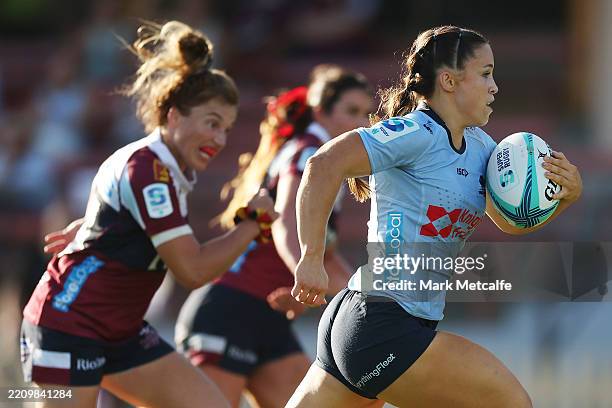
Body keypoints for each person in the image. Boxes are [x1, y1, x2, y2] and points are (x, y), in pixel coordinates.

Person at [287, 25, 583, 407]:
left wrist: (564, 198)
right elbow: (323, 164)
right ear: (448, 80)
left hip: (372, 323)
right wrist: (311, 256)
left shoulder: (481, 147)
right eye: (486, 73)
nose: (495, 87)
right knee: (511, 403)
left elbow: (508, 221)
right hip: (384, 322)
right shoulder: (416, 132)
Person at [20, 20, 278, 408]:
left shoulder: (168, 166)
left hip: (119, 330)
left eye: (225, 128)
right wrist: (251, 224)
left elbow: (112, 212)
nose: (220, 140)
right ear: (173, 116)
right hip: (68, 323)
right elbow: (192, 270)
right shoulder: (150, 170)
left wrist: (92, 228)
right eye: (211, 123)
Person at [174, 65, 374, 407]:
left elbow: (324, 258)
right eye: (352, 111)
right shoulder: (311, 153)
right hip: (229, 311)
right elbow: (283, 223)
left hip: (267, 315)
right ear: (321, 111)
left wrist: (371, 299)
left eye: (367, 113)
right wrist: (306, 276)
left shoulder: (324, 161)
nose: (362, 123)